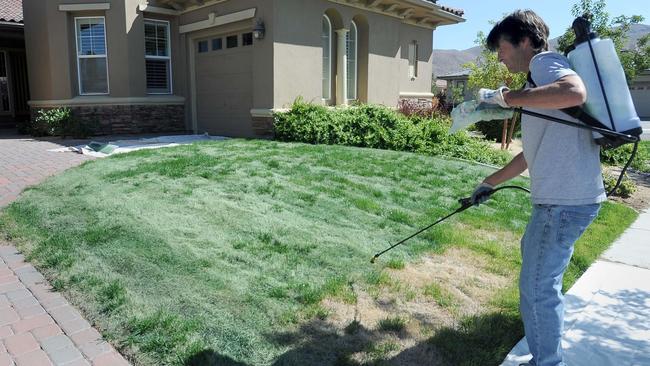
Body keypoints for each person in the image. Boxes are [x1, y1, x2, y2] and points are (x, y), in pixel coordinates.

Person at [470, 10, 606, 366]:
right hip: (565, 200)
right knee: (538, 279)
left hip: (564, 201)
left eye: (501, 47)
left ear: (525, 42)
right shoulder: (536, 82)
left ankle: (546, 363)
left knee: (537, 289)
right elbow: (530, 156)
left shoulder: (545, 62)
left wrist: (507, 98)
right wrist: (488, 182)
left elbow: (574, 92)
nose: (499, 56)